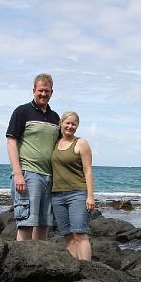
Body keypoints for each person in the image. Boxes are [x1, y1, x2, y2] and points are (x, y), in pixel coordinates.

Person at [6, 73, 61, 241]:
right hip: (28, 174)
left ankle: (38, 264)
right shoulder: (22, 111)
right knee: (26, 223)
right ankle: (20, 264)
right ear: (33, 90)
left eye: (47, 91)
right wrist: (18, 174)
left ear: (52, 92)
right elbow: (11, 142)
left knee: (43, 224)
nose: (43, 94)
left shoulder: (55, 117)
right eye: (40, 90)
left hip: (49, 177)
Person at [51, 111, 95, 260]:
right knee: (68, 236)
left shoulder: (81, 143)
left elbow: (88, 170)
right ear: (61, 124)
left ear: (77, 126)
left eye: (73, 124)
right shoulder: (55, 143)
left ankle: (87, 270)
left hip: (77, 194)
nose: (70, 126)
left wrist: (90, 196)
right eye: (67, 123)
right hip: (57, 195)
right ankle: (73, 270)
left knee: (80, 234)